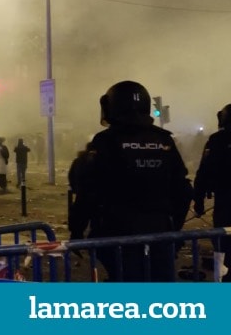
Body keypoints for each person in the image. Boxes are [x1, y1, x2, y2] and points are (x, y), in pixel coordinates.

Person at [68, 80, 193, 282]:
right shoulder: (163, 140)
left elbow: (89, 190)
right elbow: (183, 190)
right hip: (160, 232)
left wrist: (77, 228)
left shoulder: (105, 141)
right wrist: (173, 229)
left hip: (116, 231)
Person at [193, 103, 231, 282]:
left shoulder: (217, 140)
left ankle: (222, 286)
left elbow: (203, 173)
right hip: (224, 202)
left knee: (222, 251)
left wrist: (198, 201)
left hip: (225, 206)